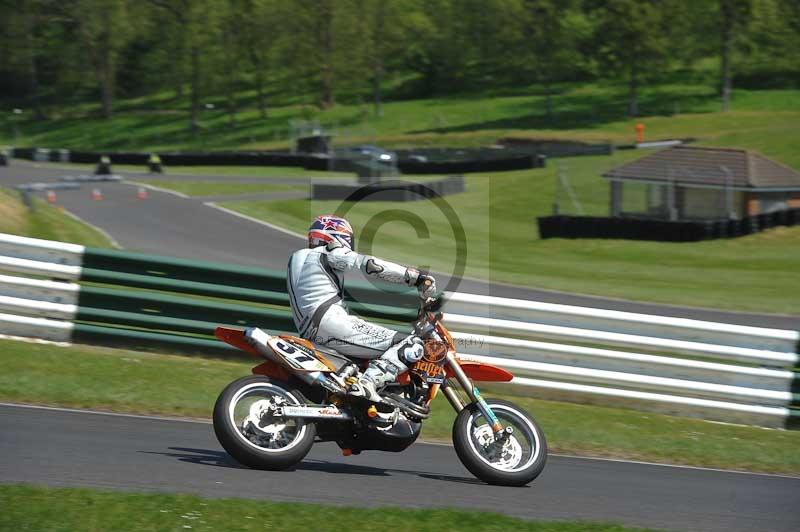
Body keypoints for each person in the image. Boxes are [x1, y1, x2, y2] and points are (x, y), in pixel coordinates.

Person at [287, 215, 437, 403]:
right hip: (331, 323)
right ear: (337, 237)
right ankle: (367, 383)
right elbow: (369, 265)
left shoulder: (297, 258)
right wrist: (413, 277)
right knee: (412, 343)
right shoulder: (327, 252)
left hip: (310, 330)